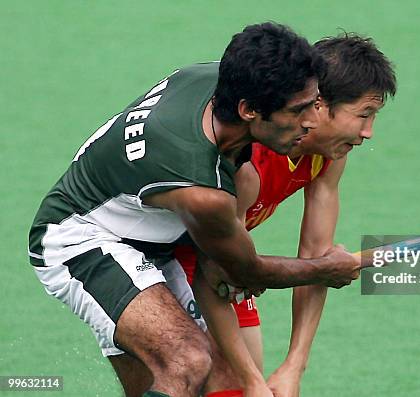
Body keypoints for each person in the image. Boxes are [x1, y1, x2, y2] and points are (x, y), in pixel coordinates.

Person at [27, 22, 361, 397]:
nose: (313, 121)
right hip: (81, 239)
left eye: (314, 105)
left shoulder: (216, 79)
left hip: (154, 237)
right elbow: (244, 270)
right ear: (249, 110)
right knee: (187, 360)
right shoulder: (203, 191)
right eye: (299, 110)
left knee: (224, 382)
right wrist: (326, 269)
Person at [179, 33, 396, 397]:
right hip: (164, 254)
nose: (368, 132)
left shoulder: (329, 156)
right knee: (211, 377)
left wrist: (294, 365)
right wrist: (251, 381)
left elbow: (317, 259)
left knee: (240, 384)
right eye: (363, 115)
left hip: (223, 259)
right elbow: (209, 273)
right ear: (319, 105)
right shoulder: (249, 162)